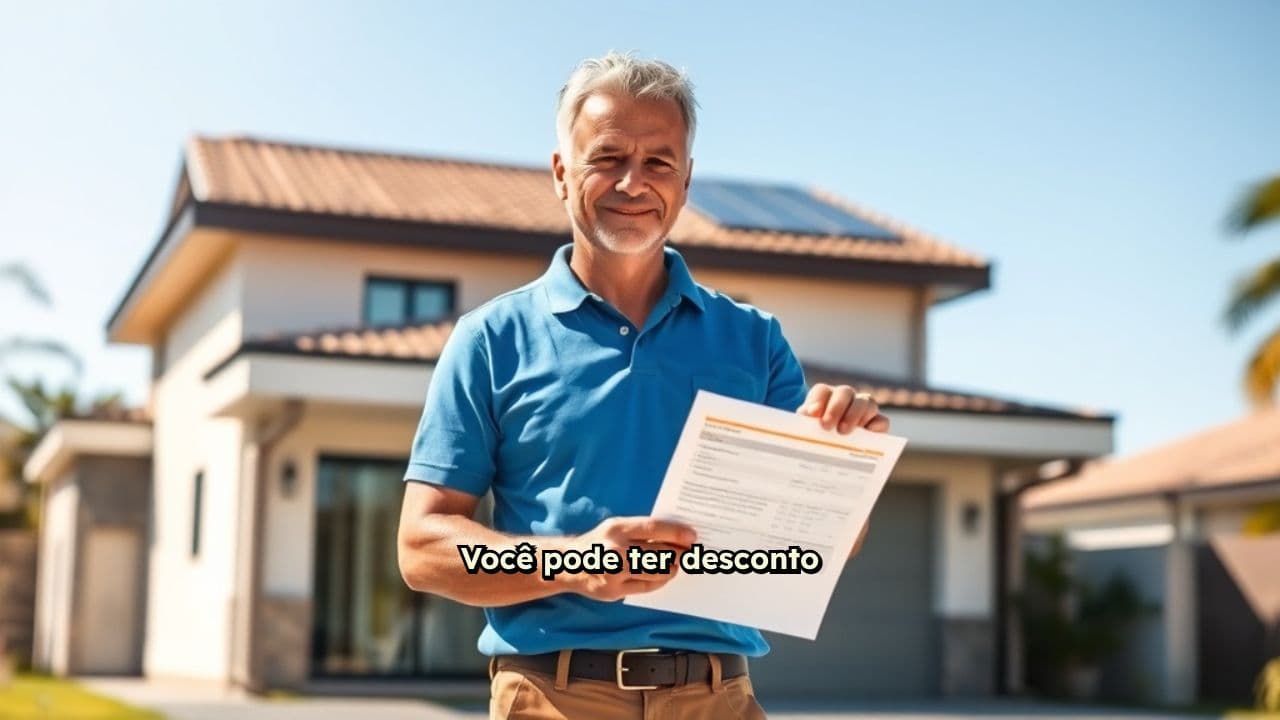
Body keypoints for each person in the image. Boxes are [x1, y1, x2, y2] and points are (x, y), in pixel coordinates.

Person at [398, 51, 890, 720]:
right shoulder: (490, 340)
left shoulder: (754, 340)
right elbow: (421, 549)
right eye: (607, 157)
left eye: (659, 161)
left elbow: (806, 556)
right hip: (551, 698)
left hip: (718, 699)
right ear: (561, 173)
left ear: (685, 183)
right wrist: (570, 564)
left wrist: (846, 465)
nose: (633, 182)